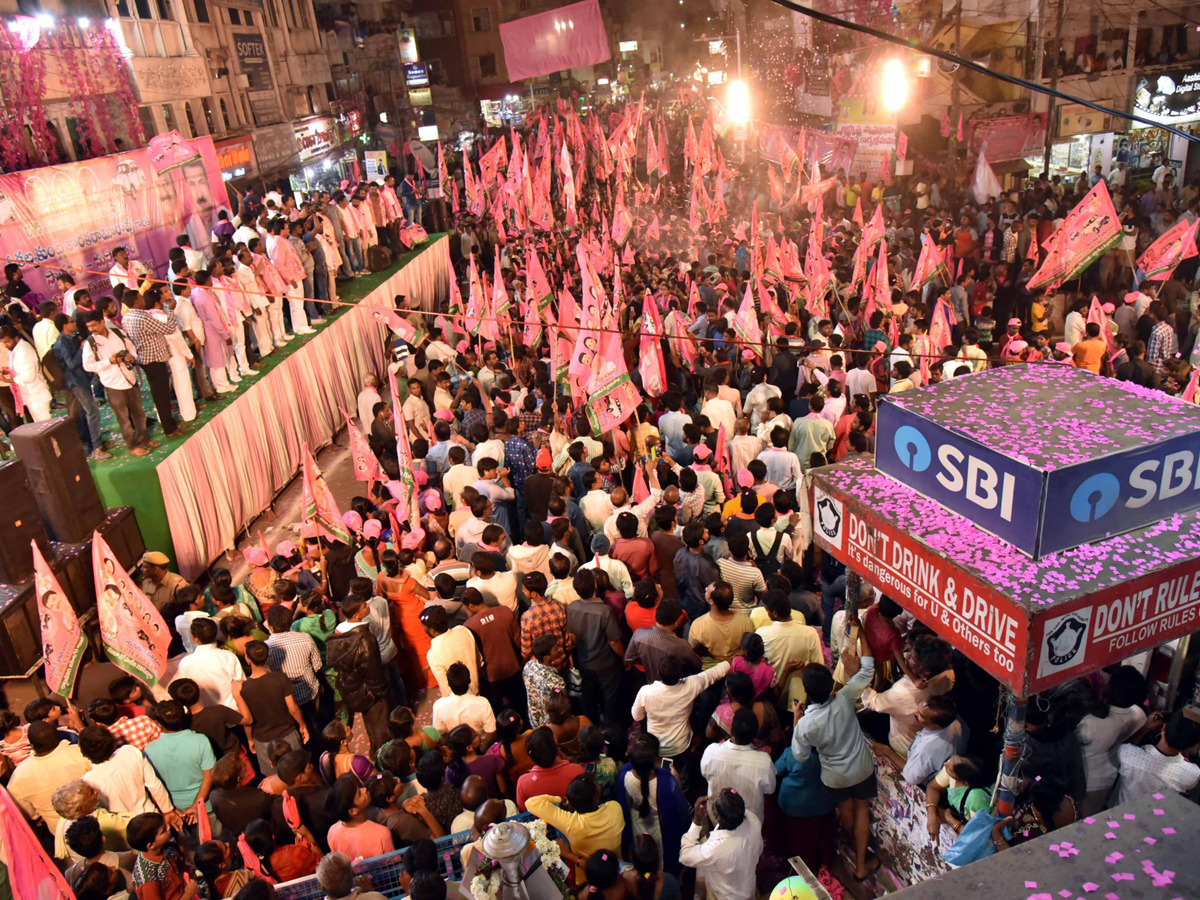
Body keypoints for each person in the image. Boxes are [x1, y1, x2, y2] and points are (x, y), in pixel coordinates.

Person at [791, 630, 878, 880]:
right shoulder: (844, 697)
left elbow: (800, 756)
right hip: (861, 768)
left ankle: (852, 846)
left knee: (847, 810)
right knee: (862, 809)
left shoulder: (806, 724)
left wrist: (797, 719)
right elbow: (868, 669)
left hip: (834, 777)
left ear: (806, 689)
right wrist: (862, 633)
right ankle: (862, 864)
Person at [81, 310, 153, 455]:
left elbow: (131, 348)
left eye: (94, 325)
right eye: (89, 326)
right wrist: (109, 361)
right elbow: (88, 366)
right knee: (124, 419)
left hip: (130, 379)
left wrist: (131, 357)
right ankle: (132, 446)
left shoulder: (117, 333)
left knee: (139, 414)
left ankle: (144, 439)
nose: (92, 329)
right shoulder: (91, 343)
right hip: (113, 384)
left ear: (102, 322)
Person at [678, 789, 763, 900]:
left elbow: (685, 855)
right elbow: (759, 849)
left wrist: (696, 822)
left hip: (726, 895)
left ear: (716, 815)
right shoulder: (753, 820)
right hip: (747, 888)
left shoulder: (717, 849)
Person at [699, 708, 777, 820]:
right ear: (754, 735)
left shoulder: (711, 752)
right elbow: (770, 789)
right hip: (749, 822)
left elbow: (704, 773)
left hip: (717, 818)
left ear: (731, 730)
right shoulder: (764, 762)